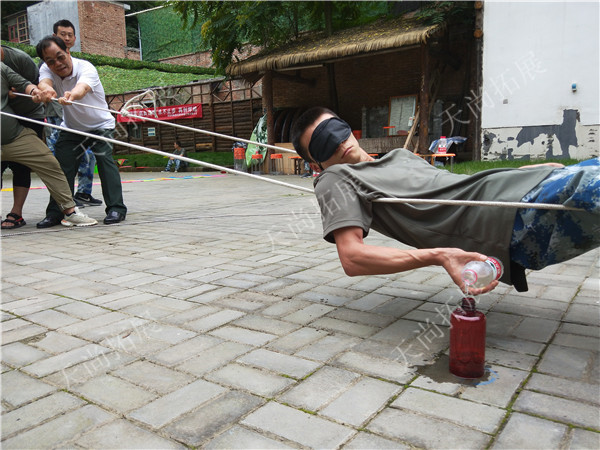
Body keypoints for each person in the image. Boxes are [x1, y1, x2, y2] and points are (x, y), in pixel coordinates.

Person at [291, 107, 599, 294]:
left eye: (336, 131)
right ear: (316, 164)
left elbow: (454, 186)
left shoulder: (400, 156)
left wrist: (521, 172)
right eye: (322, 144)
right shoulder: (336, 179)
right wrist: (439, 255)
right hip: (507, 220)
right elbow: (353, 258)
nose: (337, 143)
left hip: (518, 189)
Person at [35, 36, 127, 227]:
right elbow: (45, 83)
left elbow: (82, 88)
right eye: (51, 61)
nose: (58, 64)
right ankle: (56, 212)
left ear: (68, 51)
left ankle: (116, 209)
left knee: (105, 161)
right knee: (61, 167)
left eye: (61, 57)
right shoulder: (46, 68)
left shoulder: (86, 68)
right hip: (72, 127)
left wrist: (71, 95)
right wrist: (46, 91)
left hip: (101, 125)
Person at [1, 62, 97, 227]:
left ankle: (70, 212)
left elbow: (23, 84)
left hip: (15, 136)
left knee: (50, 163)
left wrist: (37, 91)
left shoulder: (1, 68)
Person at [52, 19, 102, 207]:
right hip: (60, 117)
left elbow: (84, 87)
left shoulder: (82, 64)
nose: (66, 38)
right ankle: (65, 200)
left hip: (84, 119)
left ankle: (84, 192)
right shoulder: (48, 63)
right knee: (64, 160)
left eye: (69, 35)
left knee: (88, 157)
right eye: (62, 34)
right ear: (54, 36)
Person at [0, 45, 46, 229]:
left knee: (21, 165)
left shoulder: (19, 58)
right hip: (5, 118)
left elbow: (36, 84)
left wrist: (16, 93)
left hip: (28, 114)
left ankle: (16, 213)